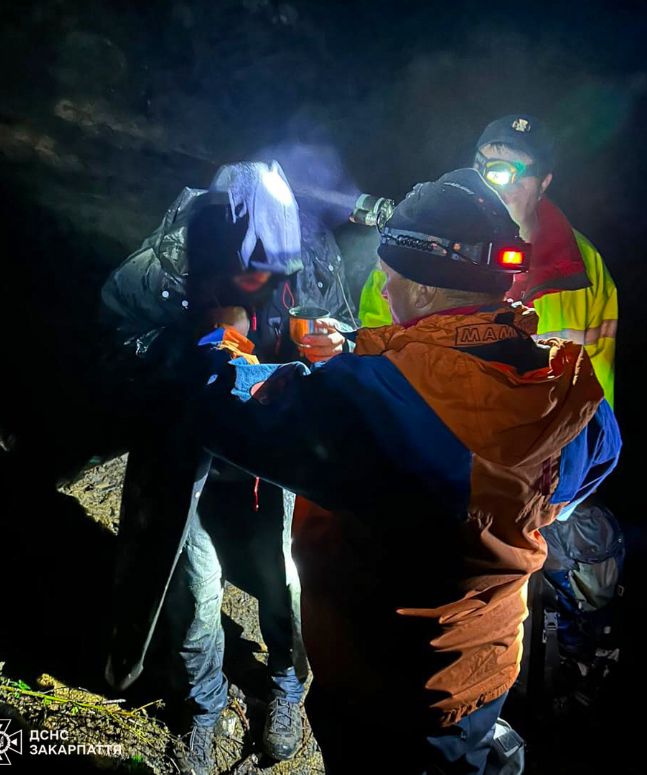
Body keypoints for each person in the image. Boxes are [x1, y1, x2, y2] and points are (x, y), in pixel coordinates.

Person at [188, 168, 621, 774]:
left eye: (390, 282)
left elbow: (222, 406)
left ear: (425, 287)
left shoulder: (369, 408)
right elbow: (590, 453)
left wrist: (221, 332)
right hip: (482, 667)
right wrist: (372, 356)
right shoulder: (567, 381)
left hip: (384, 683)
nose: (384, 295)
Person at [100, 161, 353, 774]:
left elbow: (348, 329)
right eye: (251, 268)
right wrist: (196, 349)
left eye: (277, 267)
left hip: (273, 460)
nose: (265, 280)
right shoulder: (168, 265)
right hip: (188, 455)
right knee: (194, 585)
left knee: (286, 579)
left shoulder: (308, 257)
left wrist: (334, 344)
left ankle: (288, 685)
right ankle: (202, 706)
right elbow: (114, 336)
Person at [359, 114, 618, 408]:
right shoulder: (414, 248)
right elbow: (374, 361)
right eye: (481, 167)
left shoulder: (583, 265)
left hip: (541, 447)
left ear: (543, 183)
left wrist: (570, 450)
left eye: (511, 171)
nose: (493, 183)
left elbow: (596, 395)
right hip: (439, 440)